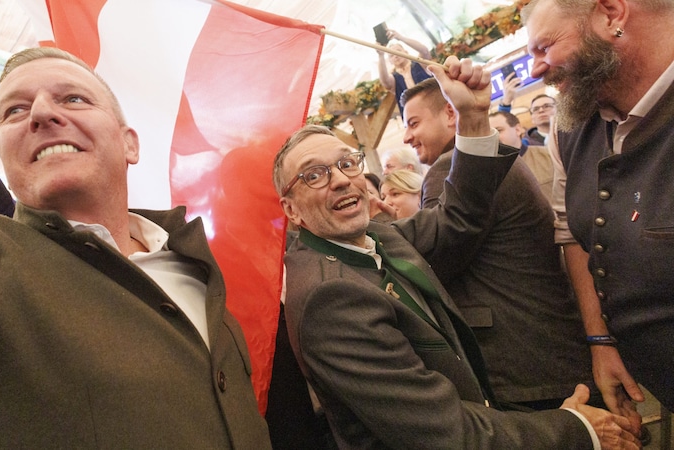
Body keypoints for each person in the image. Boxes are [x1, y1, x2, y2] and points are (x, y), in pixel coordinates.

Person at [0, 7, 269, 448]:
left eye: (74, 99)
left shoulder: (196, 266)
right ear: (5, 159)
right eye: (14, 111)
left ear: (130, 143)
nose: (41, 114)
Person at [273, 56, 639, 449]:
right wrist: (576, 429)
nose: (341, 181)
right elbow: (444, 432)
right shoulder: (329, 298)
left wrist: (473, 117)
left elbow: (460, 215)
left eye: (347, 163)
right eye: (314, 174)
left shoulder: (380, 240)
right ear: (291, 209)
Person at [403, 77, 599, 412]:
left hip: (522, 363)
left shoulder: (450, 168)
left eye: (414, 123)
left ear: (451, 114)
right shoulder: (494, 158)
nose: (407, 137)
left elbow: (437, 260)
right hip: (549, 350)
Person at [522, 0, 674, 417]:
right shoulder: (571, 127)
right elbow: (574, 233)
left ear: (612, 14)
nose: (535, 70)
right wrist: (601, 340)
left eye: (544, 47)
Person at [489, 110, 554, 202]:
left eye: (499, 130)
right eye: (489, 134)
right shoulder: (489, 174)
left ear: (518, 130)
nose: (494, 138)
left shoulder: (548, 155)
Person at [376, 28, 432, 117]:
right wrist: (381, 55)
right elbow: (385, 82)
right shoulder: (394, 78)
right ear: (390, 61)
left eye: (398, 51)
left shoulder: (420, 64)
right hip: (415, 117)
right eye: (391, 55)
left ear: (406, 52)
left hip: (433, 107)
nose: (396, 56)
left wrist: (401, 38)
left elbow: (424, 51)